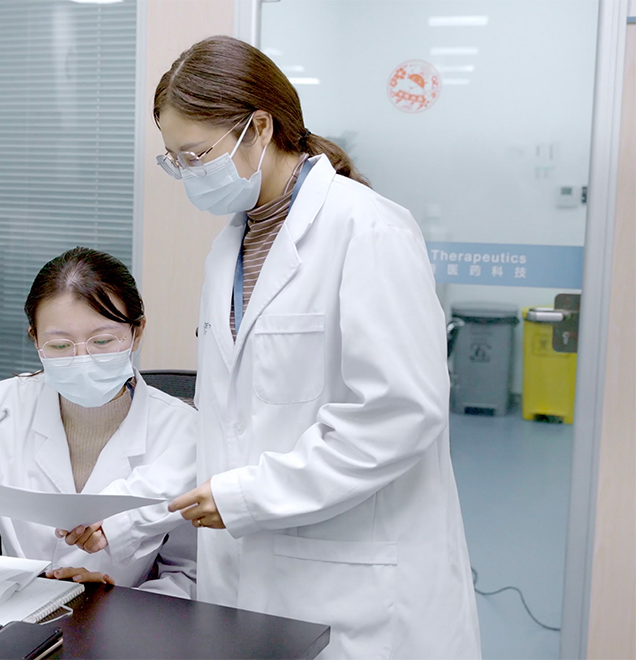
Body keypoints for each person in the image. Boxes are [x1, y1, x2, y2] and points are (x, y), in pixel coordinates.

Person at [63, 36, 481, 658]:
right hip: (257, 589)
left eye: (196, 154)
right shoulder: (229, 250)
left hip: (356, 594)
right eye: (173, 160)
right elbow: (227, 430)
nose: (187, 174)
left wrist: (247, 496)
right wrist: (125, 513)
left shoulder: (366, 229)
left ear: (259, 128)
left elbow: (399, 414)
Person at [0, 247, 197, 598]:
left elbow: (191, 575)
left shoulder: (184, 432)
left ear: (137, 333)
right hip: (15, 619)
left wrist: (114, 598)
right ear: (35, 340)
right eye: (59, 346)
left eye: (102, 341)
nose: (81, 359)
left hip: (123, 633)